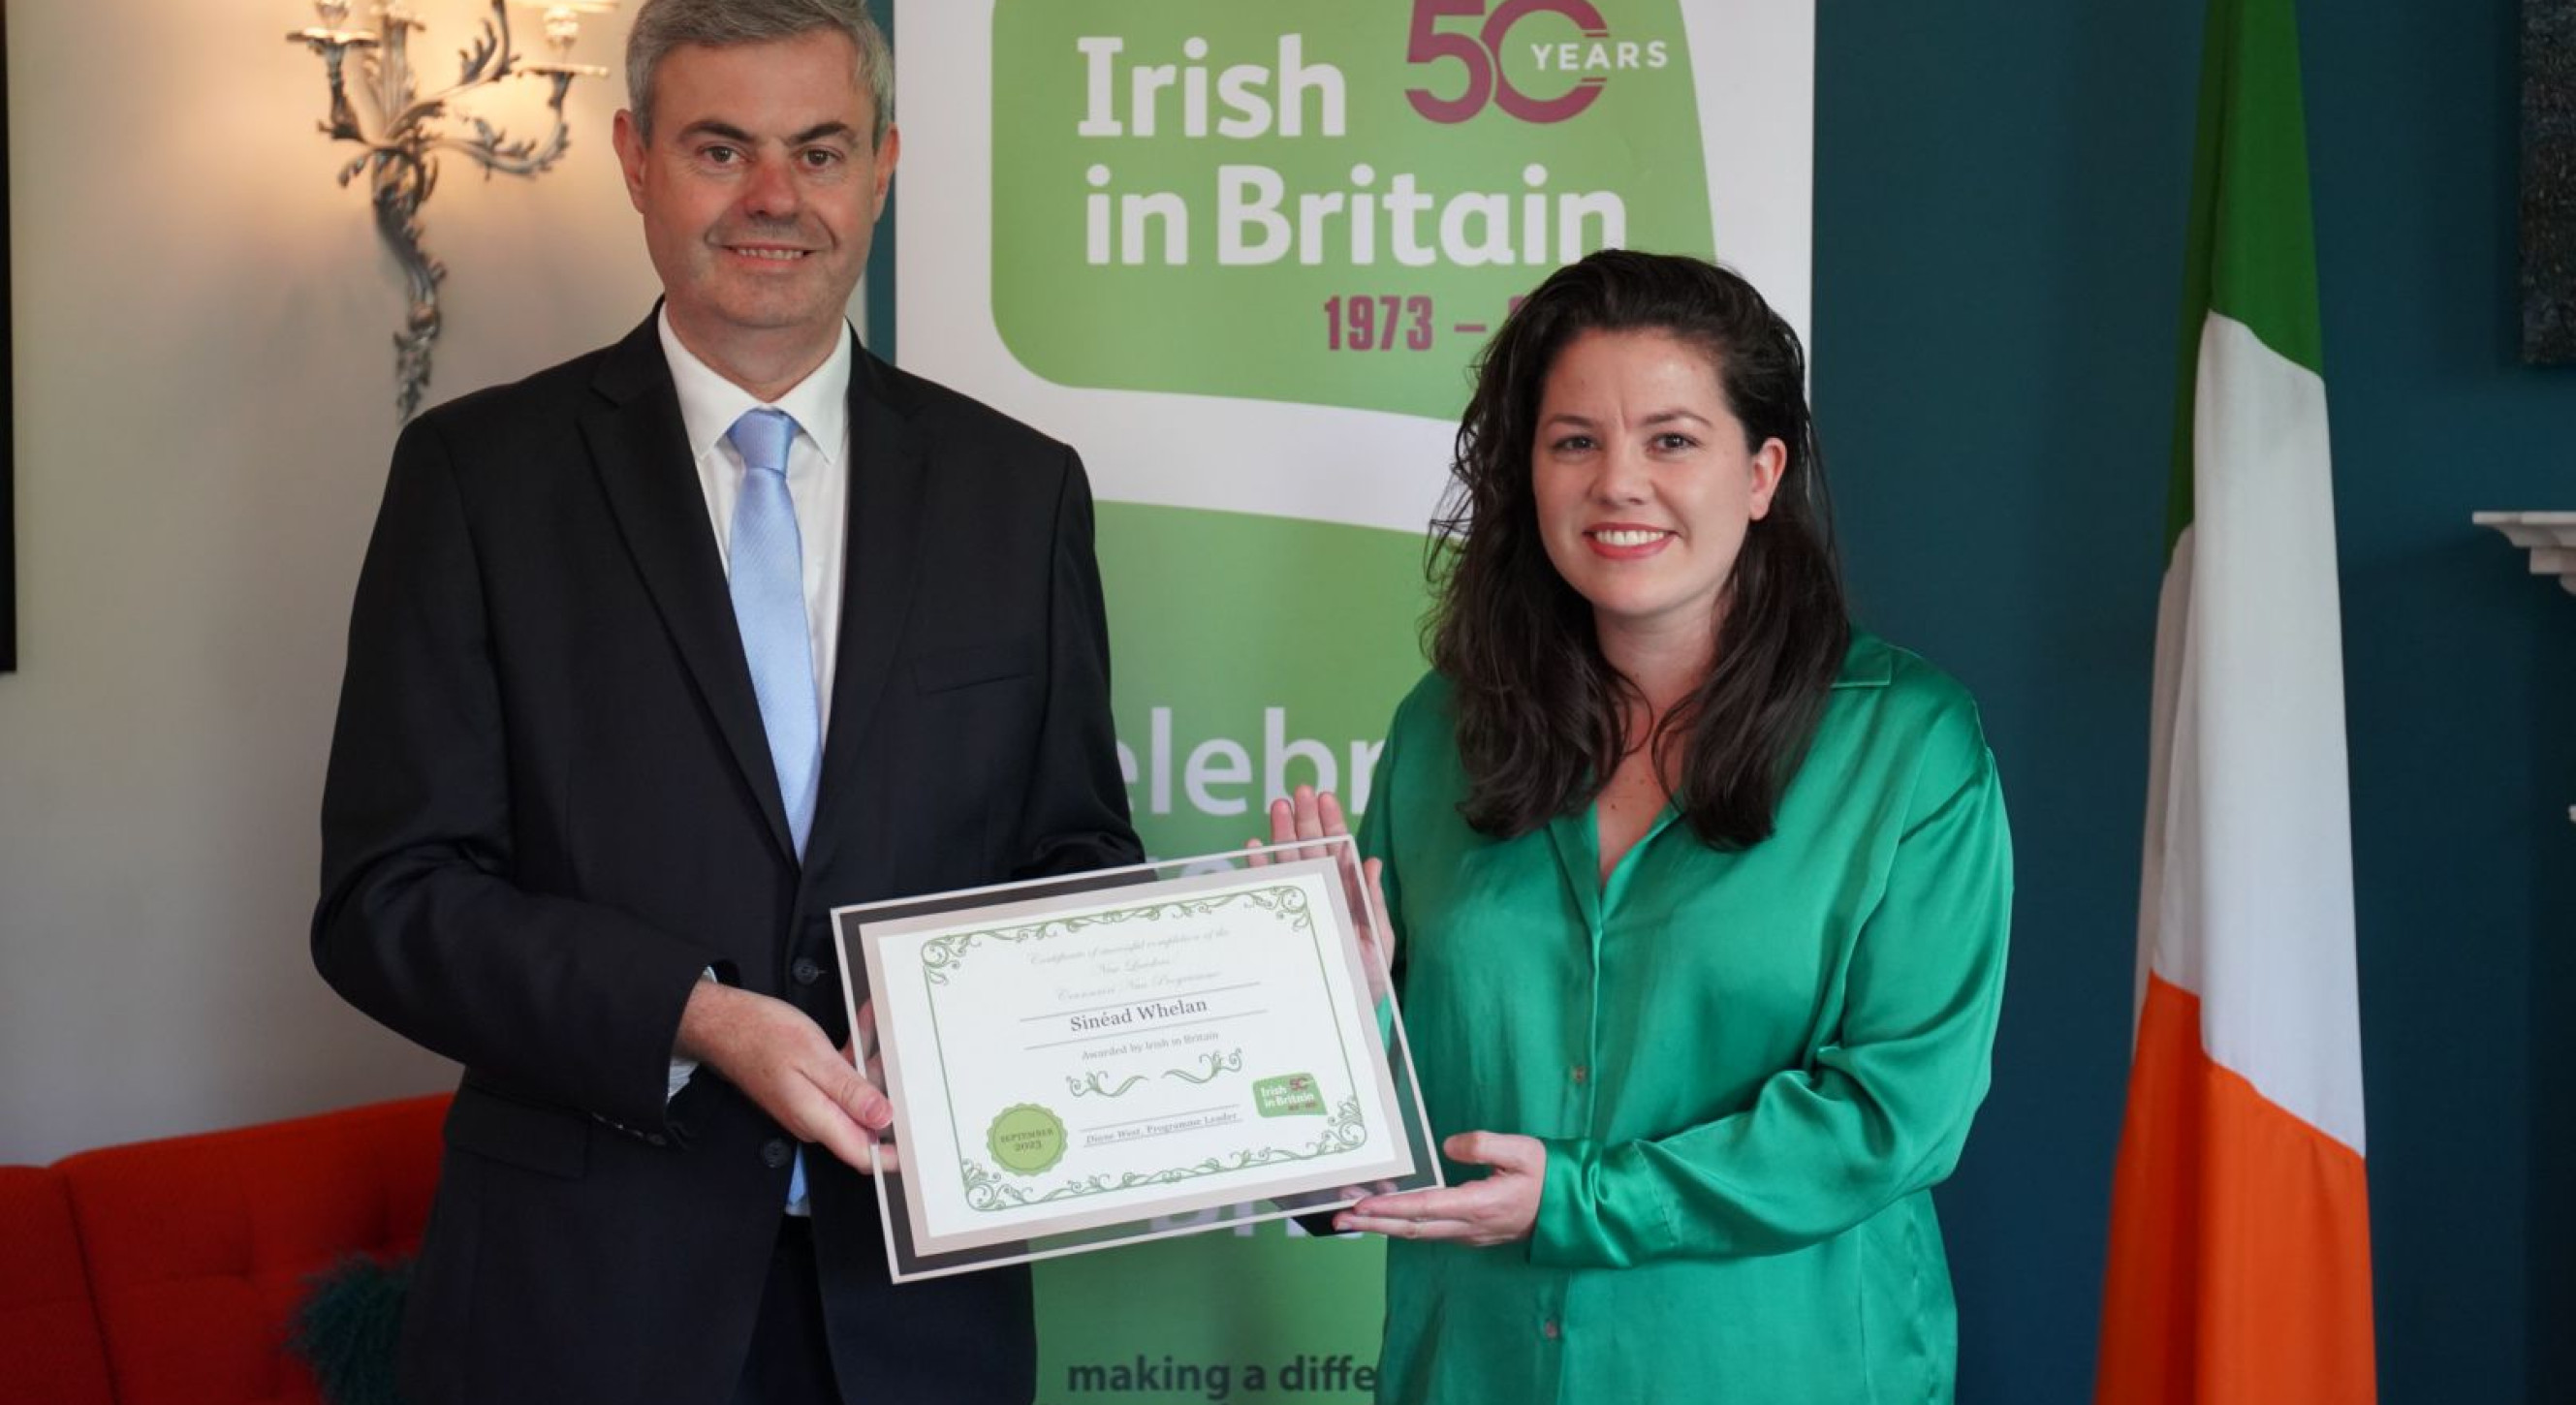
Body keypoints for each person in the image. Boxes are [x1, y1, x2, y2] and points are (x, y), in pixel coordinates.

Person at [310, 1, 1140, 1401]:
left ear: (882, 167)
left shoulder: (1018, 488)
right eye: (720, 148)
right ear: (635, 159)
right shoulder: (478, 480)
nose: (774, 199)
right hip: (583, 1301)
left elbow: (1073, 851)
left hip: (918, 1310)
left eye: (818, 152)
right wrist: (691, 1012)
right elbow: (389, 898)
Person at [1268, 250, 2012, 1404]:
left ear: (1762, 471)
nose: (1618, 481)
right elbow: (1374, 1127)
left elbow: (1897, 1116)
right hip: (1477, 1368)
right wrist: (1332, 1010)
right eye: (1575, 441)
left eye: (1671, 439)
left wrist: (1580, 1199)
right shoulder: (1444, 728)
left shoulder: (1909, 747)